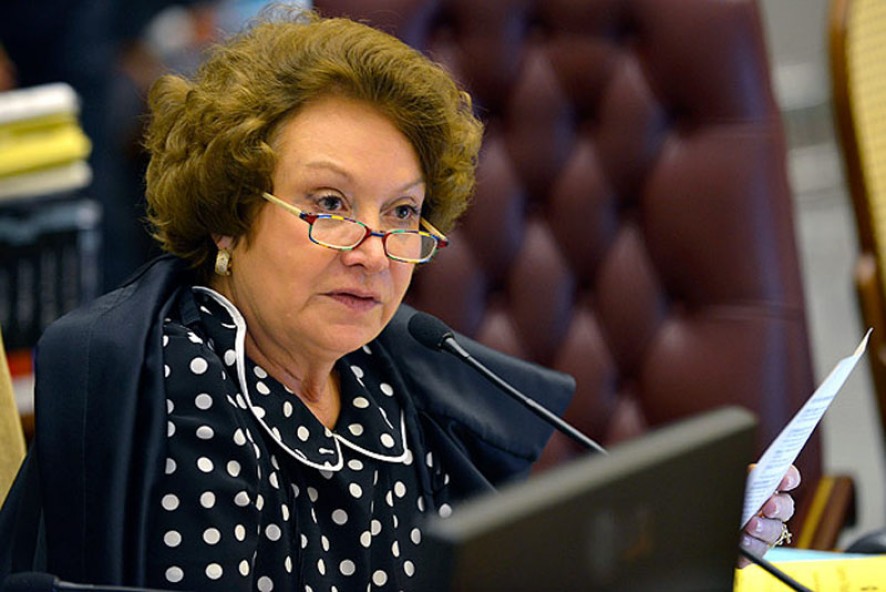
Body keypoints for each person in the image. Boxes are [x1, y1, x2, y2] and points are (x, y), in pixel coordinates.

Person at [0, 7, 798, 591]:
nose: (374, 250)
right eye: (330, 205)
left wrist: (686, 539)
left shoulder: (388, 375)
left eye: (403, 214)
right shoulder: (182, 391)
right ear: (231, 217)